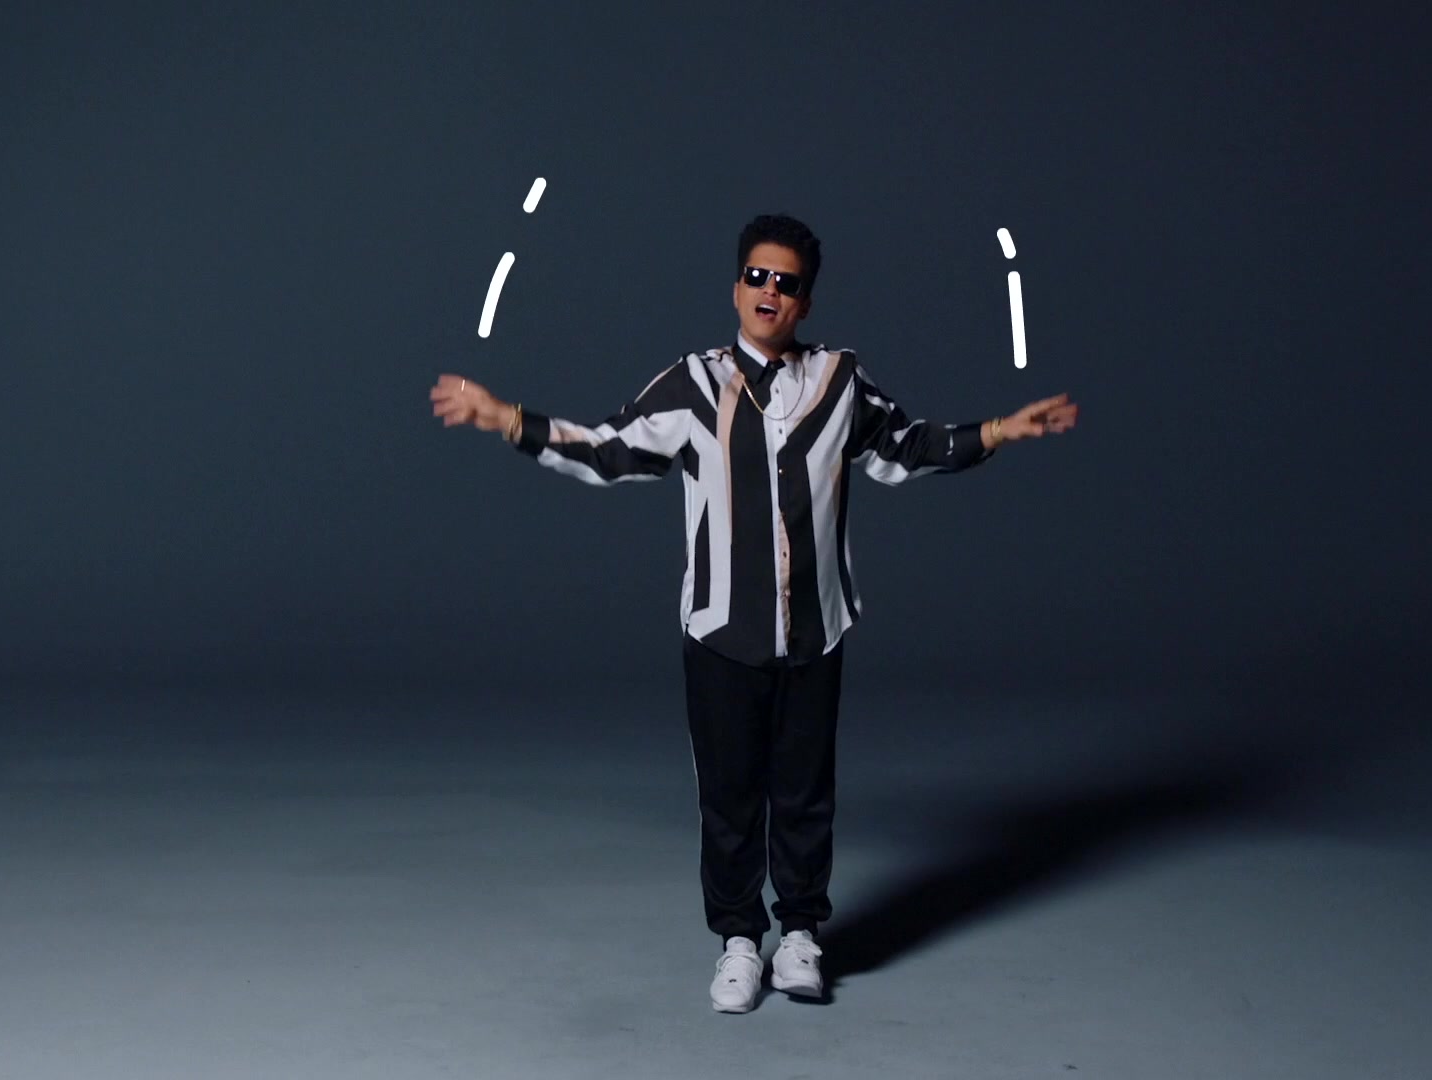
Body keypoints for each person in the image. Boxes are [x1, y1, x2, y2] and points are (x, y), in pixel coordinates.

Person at [429, 213, 1078, 1013]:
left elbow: (905, 448)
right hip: (720, 634)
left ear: (805, 302)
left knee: (804, 793)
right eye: (757, 276)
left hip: (815, 630)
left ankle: (801, 934)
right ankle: (738, 940)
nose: (770, 291)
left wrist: (999, 431)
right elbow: (609, 451)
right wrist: (508, 420)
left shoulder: (839, 381)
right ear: (736, 288)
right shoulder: (693, 384)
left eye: (787, 282)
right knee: (730, 797)